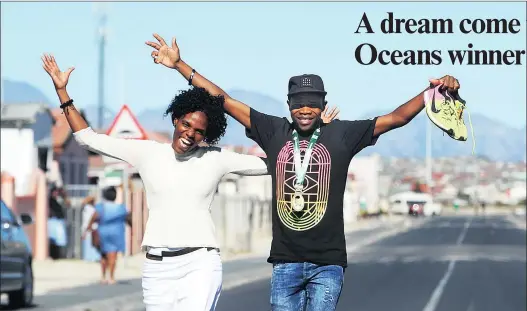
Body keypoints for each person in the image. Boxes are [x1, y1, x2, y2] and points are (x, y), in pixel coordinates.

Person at [145, 33, 462, 311]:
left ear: (323, 105)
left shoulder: (342, 135)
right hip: (285, 262)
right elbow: (223, 100)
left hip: (328, 263)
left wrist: (429, 93)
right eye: (298, 103)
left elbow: (394, 118)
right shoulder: (273, 130)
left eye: (312, 103)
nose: (305, 109)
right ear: (288, 104)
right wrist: (180, 65)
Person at [41, 54, 338, 310]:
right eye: (186, 124)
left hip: (200, 263)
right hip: (157, 266)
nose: (190, 133)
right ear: (175, 120)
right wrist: (62, 92)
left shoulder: (215, 158)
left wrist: (316, 136)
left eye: (199, 131)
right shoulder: (146, 152)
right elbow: (88, 138)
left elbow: (281, 162)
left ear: (207, 135)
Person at [82, 186, 128, 285]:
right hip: (117, 232)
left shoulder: (100, 207)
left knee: (103, 255)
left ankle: (103, 276)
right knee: (113, 255)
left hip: (102, 231)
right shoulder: (120, 208)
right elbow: (128, 218)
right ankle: (111, 277)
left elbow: (94, 217)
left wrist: (87, 230)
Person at [81, 195, 101, 263]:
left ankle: (89, 258)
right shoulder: (90, 209)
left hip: (89, 228)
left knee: (89, 244)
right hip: (91, 228)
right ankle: (93, 258)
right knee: (92, 244)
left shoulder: (87, 208)